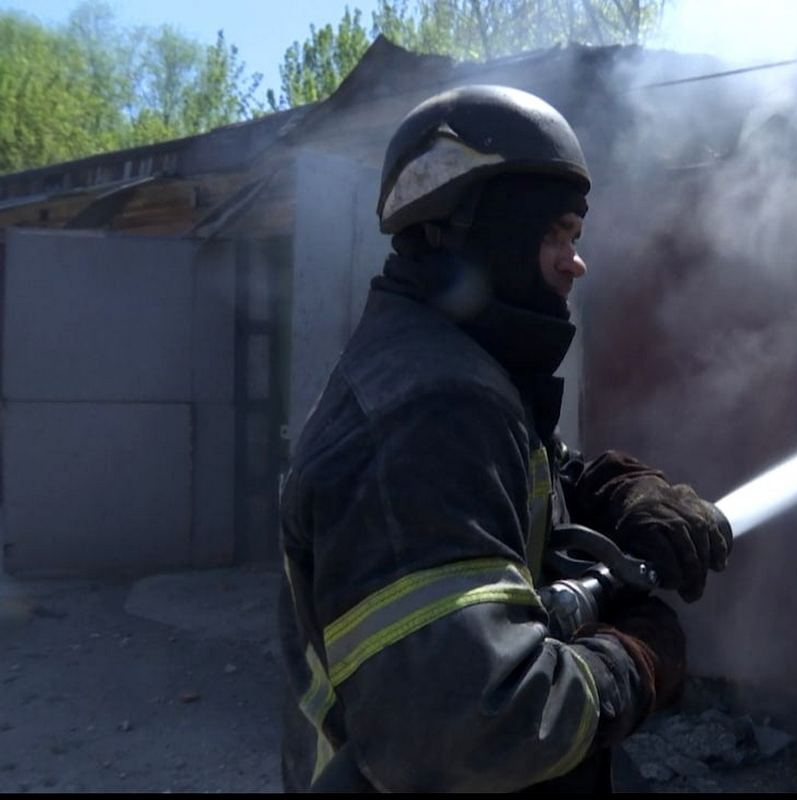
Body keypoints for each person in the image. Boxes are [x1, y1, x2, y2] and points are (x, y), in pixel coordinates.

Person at [277, 85, 732, 792]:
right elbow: (473, 726)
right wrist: (634, 661)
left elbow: (508, 488)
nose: (573, 261)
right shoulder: (428, 409)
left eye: (574, 237)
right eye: (555, 233)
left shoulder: (453, 370)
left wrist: (616, 491)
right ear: (480, 232)